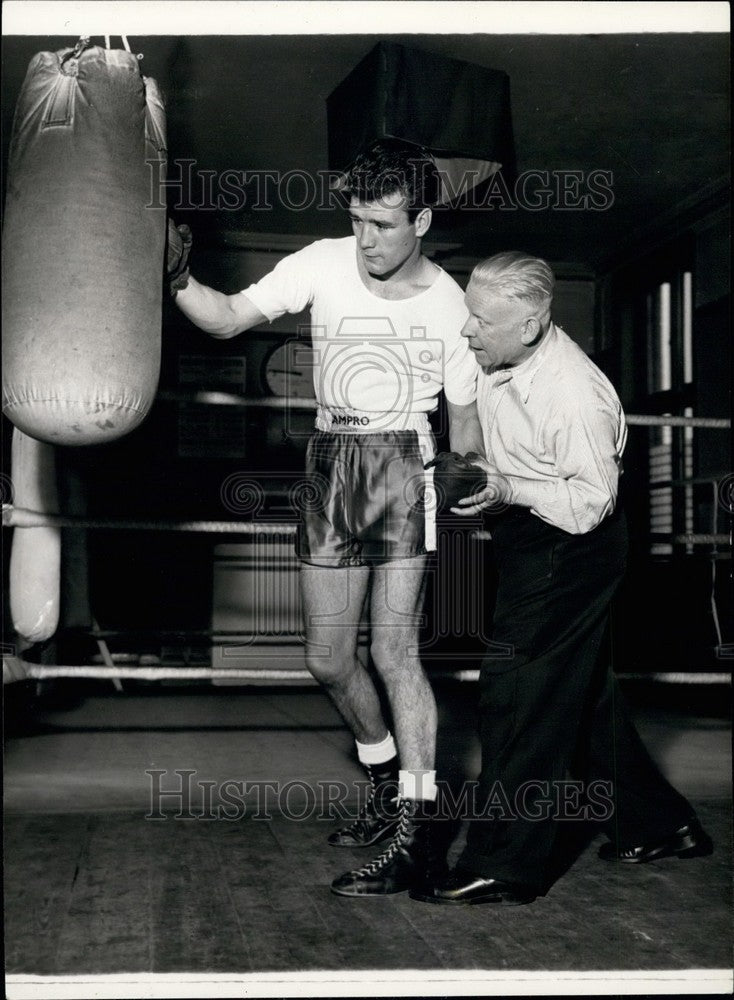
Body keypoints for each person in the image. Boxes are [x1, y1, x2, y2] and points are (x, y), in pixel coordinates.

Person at [167, 139, 484, 897]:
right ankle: (384, 780)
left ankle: (419, 834)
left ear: (422, 221)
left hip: (401, 459)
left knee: (395, 652)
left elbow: (468, 432)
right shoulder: (321, 261)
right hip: (329, 455)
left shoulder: (451, 304)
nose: (365, 239)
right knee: (328, 659)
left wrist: (464, 480)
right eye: (356, 220)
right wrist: (176, 279)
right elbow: (227, 319)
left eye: (383, 224)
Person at [410, 251, 713, 906]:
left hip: (572, 545)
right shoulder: (499, 353)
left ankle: (504, 863)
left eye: (482, 321)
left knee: (516, 693)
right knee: (577, 697)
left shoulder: (572, 393)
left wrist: (508, 487)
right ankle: (659, 824)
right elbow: (489, 436)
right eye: (469, 314)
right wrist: (477, 475)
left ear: (531, 325)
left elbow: (591, 503)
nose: (467, 330)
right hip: (527, 534)